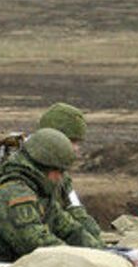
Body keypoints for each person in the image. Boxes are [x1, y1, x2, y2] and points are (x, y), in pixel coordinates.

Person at [0, 128, 104, 262]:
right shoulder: (14, 195)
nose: (60, 178)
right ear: (42, 167)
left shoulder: (40, 194)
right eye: (58, 171)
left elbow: (69, 229)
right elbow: (37, 244)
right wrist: (78, 259)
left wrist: (101, 252)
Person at [36, 102, 103, 245]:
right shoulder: (27, 173)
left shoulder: (61, 176)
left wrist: (98, 242)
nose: (76, 149)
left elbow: (76, 210)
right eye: (72, 141)